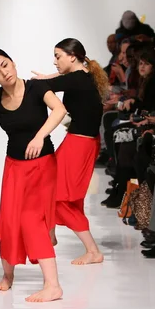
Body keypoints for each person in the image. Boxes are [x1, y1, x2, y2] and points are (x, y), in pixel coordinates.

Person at [0, 48, 67, 302]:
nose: (4, 73)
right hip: (14, 167)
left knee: (31, 221)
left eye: (5, 65)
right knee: (8, 222)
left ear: (13, 62)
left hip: (43, 164)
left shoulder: (36, 88)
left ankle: (53, 285)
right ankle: (8, 276)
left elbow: (59, 110)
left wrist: (40, 136)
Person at [31, 38, 109, 265]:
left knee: (58, 196)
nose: (55, 62)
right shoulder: (83, 77)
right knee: (63, 193)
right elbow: (57, 82)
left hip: (79, 144)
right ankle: (51, 235)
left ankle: (92, 250)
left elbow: (42, 87)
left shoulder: (77, 79)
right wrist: (48, 77)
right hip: (82, 142)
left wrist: (42, 79)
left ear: (72, 56)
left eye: (58, 56)